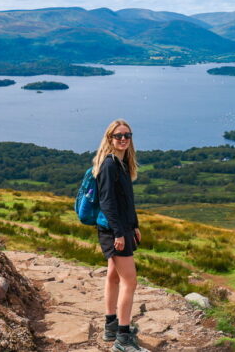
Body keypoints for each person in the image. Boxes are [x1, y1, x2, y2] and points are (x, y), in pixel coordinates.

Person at [93, 119, 145, 352]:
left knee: (114, 276)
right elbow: (107, 202)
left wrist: (134, 226)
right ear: (109, 138)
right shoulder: (109, 166)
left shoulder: (122, 164)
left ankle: (111, 326)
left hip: (122, 228)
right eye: (118, 135)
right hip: (114, 231)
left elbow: (126, 202)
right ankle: (123, 340)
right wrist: (118, 233)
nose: (123, 139)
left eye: (127, 135)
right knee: (130, 281)